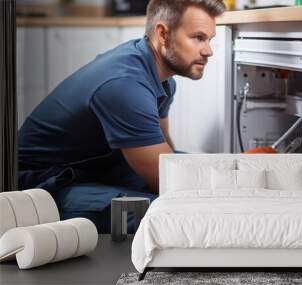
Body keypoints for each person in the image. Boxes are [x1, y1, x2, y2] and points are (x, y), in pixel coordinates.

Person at [18, 0, 225, 233]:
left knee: (201, 169)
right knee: (168, 214)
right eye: (198, 37)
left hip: (102, 165)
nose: (208, 50)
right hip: (43, 185)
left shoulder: (163, 81)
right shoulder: (125, 83)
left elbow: (165, 155)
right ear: (162, 34)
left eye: (210, 39)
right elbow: (166, 179)